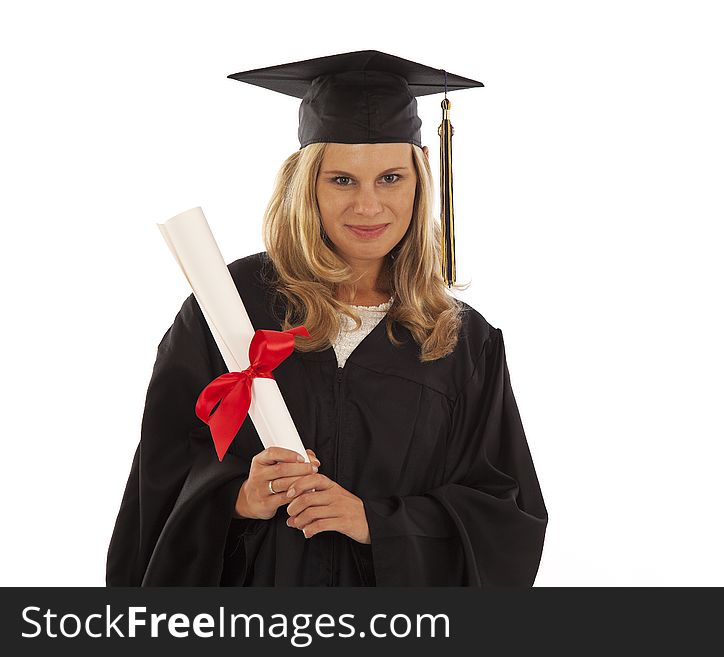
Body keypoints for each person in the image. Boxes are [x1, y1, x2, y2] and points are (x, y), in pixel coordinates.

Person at [106, 50, 548, 586]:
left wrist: (376, 523)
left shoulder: (461, 338)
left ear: (421, 176)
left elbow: (506, 517)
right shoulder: (231, 306)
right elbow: (157, 480)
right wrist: (240, 499)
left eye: (389, 177)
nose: (367, 206)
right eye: (342, 180)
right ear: (306, 182)